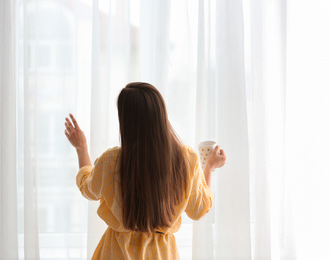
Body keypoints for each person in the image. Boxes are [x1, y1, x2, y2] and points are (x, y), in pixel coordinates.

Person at [64, 82, 226, 259]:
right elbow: (198, 209)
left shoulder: (110, 161)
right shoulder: (186, 159)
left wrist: (81, 148)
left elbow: (87, 187)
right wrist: (209, 167)